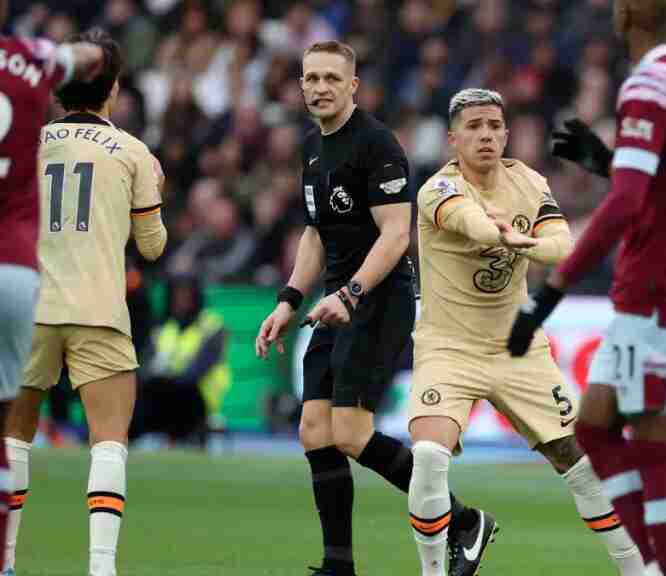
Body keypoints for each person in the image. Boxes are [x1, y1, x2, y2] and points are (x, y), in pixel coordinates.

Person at [508, 1, 666, 575]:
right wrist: (610, 162)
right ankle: (650, 568)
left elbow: (628, 204)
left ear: (629, 13)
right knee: (596, 429)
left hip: (661, 284)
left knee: (656, 446)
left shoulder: (650, 81)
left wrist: (553, 288)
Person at [253, 41, 480, 576]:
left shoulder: (377, 145)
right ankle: (339, 565)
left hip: (377, 301)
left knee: (350, 433)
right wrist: (289, 299)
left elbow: (397, 234)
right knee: (314, 429)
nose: (320, 87)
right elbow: (315, 235)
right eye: (311, 78)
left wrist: (350, 293)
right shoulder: (313, 148)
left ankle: (463, 520)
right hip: (335, 301)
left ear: (353, 85)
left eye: (332, 78)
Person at [408, 87, 644, 576]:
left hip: (517, 348)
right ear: (453, 139)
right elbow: (470, 223)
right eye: (473, 127)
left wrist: (521, 239)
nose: (486, 135)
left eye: (494, 126)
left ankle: (637, 570)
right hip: (449, 349)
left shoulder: (529, 182)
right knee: (429, 456)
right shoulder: (438, 189)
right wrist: (501, 233)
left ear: (507, 134)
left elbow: (562, 245)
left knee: (582, 462)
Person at [1, 27, 167, 576]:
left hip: (33, 307)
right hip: (98, 308)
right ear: (113, 89)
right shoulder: (134, 152)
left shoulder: (28, 139)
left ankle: (5, 560)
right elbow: (153, 246)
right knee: (108, 442)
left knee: (13, 437)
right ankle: (101, 568)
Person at [131, 273, 230, 446]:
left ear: (196, 296)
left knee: (177, 388)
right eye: (177, 295)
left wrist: (164, 378)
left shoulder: (212, 326)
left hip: (199, 399)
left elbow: (197, 371)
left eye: (186, 295)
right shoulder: (162, 328)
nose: (181, 300)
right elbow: (144, 367)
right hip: (161, 395)